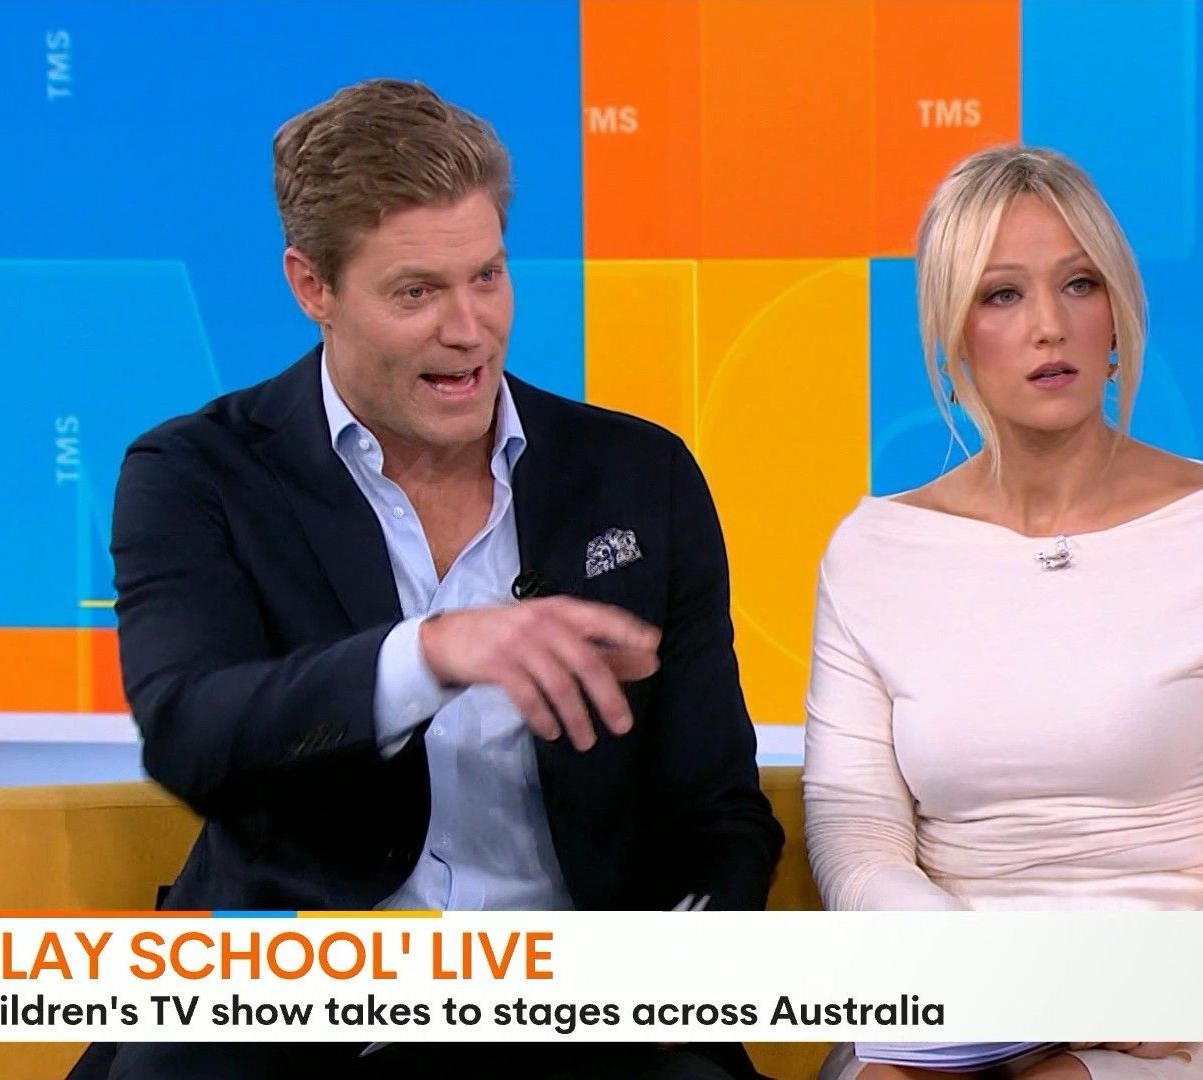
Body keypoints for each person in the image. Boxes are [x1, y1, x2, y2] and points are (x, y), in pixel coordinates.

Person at [69, 78, 782, 1080]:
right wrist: (426, 655)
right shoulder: (198, 474)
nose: (469, 328)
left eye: (487, 277)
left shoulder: (637, 476)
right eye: (417, 293)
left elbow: (718, 810)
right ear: (312, 287)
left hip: (580, 1018)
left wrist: (665, 981)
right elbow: (194, 730)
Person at [801, 145, 1203, 1079]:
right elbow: (858, 845)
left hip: (1188, 1008)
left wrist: (1180, 989)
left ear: (1116, 316)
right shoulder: (872, 555)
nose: (1049, 326)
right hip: (957, 1005)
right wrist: (978, 983)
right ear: (953, 335)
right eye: (1002, 295)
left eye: (1078, 285)